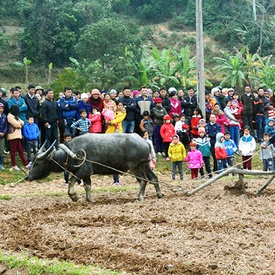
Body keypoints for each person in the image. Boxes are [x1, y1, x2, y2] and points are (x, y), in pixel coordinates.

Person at [105, 101, 126, 185]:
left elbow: (119, 120)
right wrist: (108, 121)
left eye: (121, 105)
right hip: (110, 131)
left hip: (118, 132)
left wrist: (111, 122)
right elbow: (106, 119)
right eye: (119, 105)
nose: (120, 106)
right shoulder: (111, 111)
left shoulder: (123, 113)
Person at [7, 105, 30, 171]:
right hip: (13, 136)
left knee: (21, 150)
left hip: (18, 136)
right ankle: (14, 164)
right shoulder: (10, 116)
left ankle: (26, 164)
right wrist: (19, 124)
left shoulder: (15, 116)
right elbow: (17, 125)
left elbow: (22, 122)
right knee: (13, 151)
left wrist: (19, 123)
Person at [0, 102, 7, 170]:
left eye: (2, 108)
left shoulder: (4, 116)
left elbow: (6, 126)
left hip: (2, 136)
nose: (1, 109)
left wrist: (4, 132)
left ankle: (1, 164)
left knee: (1, 150)